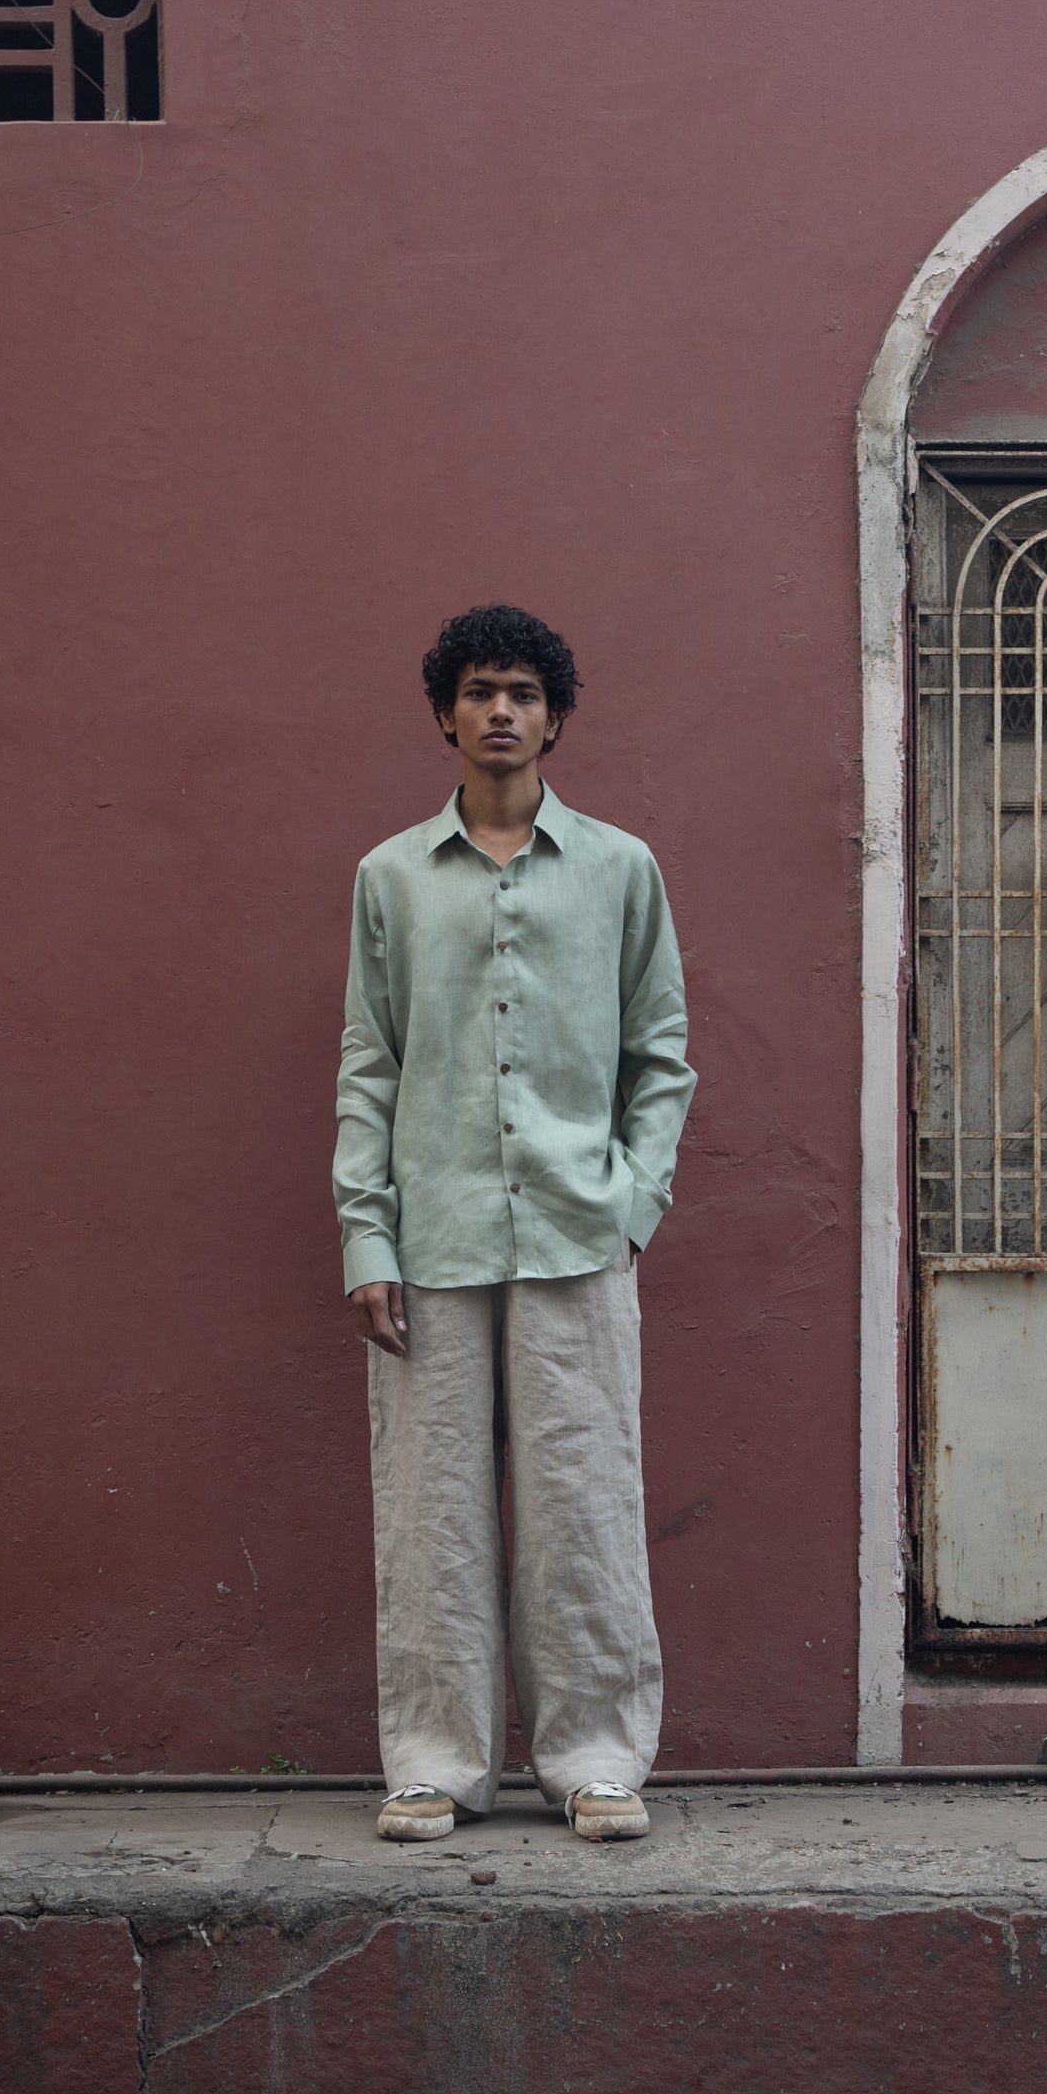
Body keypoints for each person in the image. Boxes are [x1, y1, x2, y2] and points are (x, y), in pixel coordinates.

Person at [335, 604, 695, 1844]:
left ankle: (595, 1758)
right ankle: (435, 1763)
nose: (501, 710)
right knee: (431, 1508)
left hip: (575, 1232)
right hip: (429, 1236)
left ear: (554, 715)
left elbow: (662, 1054)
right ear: (445, 712)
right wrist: (364, 1240)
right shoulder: (390, 878)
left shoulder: (619, 869)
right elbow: (367, 1066)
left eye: (524, 692)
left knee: (582, 1497)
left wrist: (632, 1201)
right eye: (480, 690)